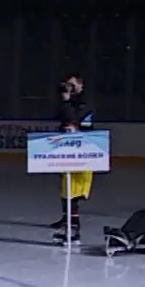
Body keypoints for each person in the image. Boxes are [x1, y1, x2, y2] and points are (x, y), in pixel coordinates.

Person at [52, 73, 93, 240]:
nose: (69, 88)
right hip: (67, 151)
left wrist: (67, 101)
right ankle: (67, 222)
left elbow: (72, 122)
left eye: (72, 85)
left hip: (81, 153)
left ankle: (73, 229)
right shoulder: (68, 103)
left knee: (73, 193)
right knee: (65, 190)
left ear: (81, 86)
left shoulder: (85, 105)